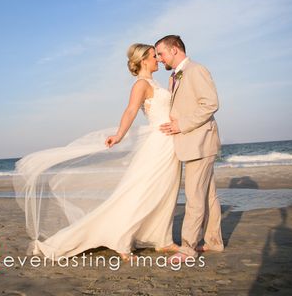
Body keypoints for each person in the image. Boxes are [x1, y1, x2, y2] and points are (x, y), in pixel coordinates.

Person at [13, 43, 182, 262]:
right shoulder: (141, 84)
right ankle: (121, 240)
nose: (158, 59)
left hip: (169, 143)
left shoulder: (155, 82)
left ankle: (162, 239)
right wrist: (119, 135)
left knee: (165, 190)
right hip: (158, 143)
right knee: (142, 192)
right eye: (153, 56)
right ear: (143, 60)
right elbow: (130, 110)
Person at [155, 35, 224, 262]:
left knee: (194, 196)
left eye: (161, 53)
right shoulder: (175, 76)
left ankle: (187, 248)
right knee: (208, 194)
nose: (159, 58)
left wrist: (180, 125)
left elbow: (211, 103)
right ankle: (214, 241)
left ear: (174, 50)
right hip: (192, 143)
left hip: (199, 142)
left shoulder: (196, 70)